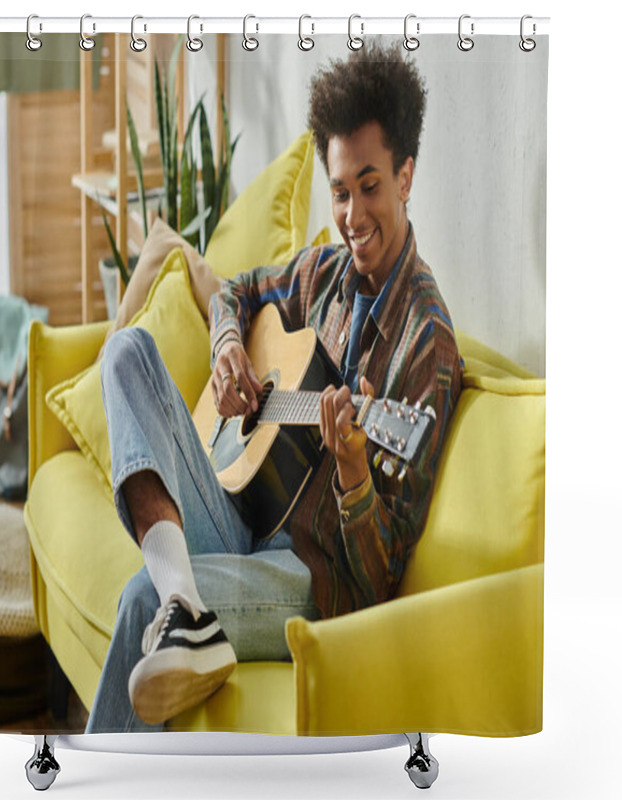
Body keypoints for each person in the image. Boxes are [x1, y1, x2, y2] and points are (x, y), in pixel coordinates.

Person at [85, 41, 463, 733]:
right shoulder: (323, 272)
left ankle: (170, 622)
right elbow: (236, 288)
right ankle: (188, 607)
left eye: (371, 186)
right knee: (125, 351)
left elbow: (378, 581)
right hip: (244, 512)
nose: (352, 215)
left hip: (310, 578)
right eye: (341, 190)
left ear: (407, 176)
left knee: (146, 599)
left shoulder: (427, 344)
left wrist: (352, 473)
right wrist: (228, 344)